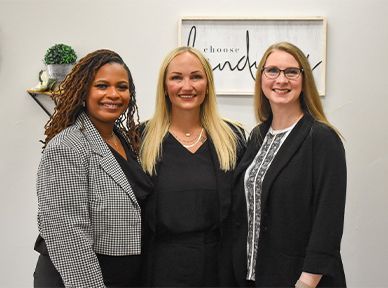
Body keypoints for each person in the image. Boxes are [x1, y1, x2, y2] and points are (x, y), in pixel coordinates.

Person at [230, 42, 347, 287]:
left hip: (300, 280)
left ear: (304, 80)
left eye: (291, 72)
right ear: (261, 78)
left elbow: (329, 221)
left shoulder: (322, 139)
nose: (281, 80)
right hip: (254, 277)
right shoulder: (257, 136)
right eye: (272, 70)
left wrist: (306, 282)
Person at [33, 49, 153, 287]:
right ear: (83, 91)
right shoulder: (67, 146)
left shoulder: (126, 141)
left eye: (121, 86)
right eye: (101, 86)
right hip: (79, 279)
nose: (113, 94)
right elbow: (67, 234)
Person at [139, 46, 246, 287]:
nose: (187, 86)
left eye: (196, 77)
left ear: (208, 85)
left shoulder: (234, 138)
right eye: (177, 78)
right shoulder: (141, 138)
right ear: (165, 87)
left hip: (219, 271)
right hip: (160, 269)